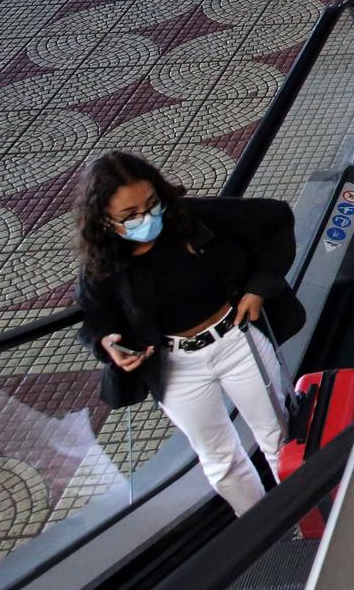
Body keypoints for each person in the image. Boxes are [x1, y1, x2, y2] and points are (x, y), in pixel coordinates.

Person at [74, 152, 304, 515]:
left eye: (152, 205)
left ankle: (304, 517)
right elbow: (94, 318)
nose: (147, 219)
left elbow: (275, 218)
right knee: (220, 459)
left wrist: (258, 288)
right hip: (176, 366)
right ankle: (263, 530)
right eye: (130, 216)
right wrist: (108, 344)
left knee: (278, 435)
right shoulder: (104, 263)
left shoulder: (193, 218)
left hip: (236, 340)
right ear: (104, 220)